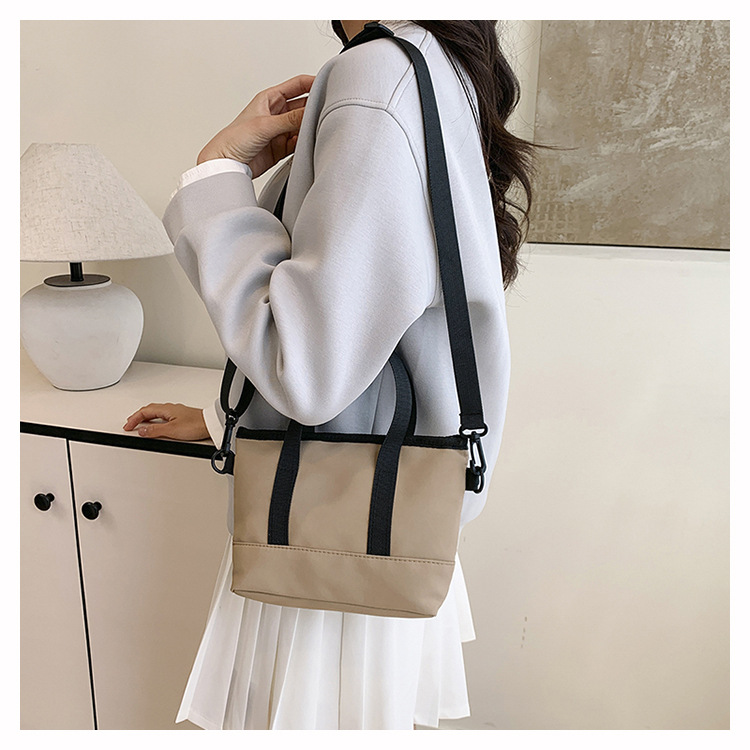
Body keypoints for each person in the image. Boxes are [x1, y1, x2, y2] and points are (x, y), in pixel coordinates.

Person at [122, 20, 538, 730]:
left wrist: (217, 171)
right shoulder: (432, 62)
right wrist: (225, 418)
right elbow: (372, 334)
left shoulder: (379, 71)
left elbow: (308, 366)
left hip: (323, 547)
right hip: (375, 521)